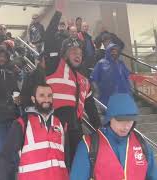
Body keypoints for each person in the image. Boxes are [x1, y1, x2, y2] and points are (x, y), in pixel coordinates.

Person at [43, 10, 101, 168]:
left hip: (76, 129)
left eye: (80, 53)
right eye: (73, 52)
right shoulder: (55, 65)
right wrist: (57, 13)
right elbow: (48, 39)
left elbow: (91, 109)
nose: (78, 55)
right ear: (64, 55)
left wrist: (100, 130)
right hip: (53, 128)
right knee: (57, 167)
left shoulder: (84, 80)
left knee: (76, 166)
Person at [70, 93, 157, 180]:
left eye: (130, 120)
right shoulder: (89, 145)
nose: (126, 126)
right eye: (121, 120)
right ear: (109, 117)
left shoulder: (142, 144)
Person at [0, 83, 69, 180]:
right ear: (33, 99)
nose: (46, 99)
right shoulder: (22, 123)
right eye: (42, 95)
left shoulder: (59, 123)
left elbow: (66, 158)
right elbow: (5, 158)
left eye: (49, 96)